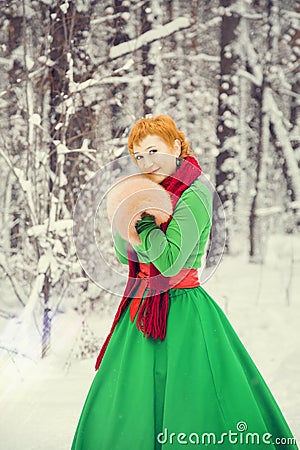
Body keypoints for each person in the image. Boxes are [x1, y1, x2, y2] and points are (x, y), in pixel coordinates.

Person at [71, 115, 298, 449]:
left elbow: (170, 260)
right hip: (142, 312)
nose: (146, 162)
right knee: (130, 405)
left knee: (193, 401)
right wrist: (125, 216)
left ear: (177, 146)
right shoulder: (148, 192)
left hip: (183, 312)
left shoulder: (194, 195)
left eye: (153, 150)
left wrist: (144, 224)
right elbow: (125, 256)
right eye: (138, 156)